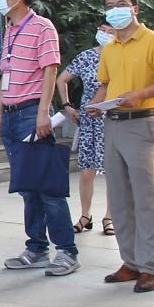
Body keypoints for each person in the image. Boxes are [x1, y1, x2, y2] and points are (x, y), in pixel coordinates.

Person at [87, 0, 154, 292]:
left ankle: (150, 266)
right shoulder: (110, 48)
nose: (115, 11)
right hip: (112, 123)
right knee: (119, 196)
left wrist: (139, 94)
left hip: (141, 122)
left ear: (135, 7)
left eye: (121, 5)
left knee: (143, 196)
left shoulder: (153, 40)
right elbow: (105, 84)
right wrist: (96, 104)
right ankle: (130, 262)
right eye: (110, 7)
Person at [0, 0, 79, 277]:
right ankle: (37, 248)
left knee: (47, 188)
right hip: (11, 115)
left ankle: (67, 251)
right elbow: (5, 76)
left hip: (32, 114)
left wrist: (44, 112)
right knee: (27, 188)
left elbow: (50, 70)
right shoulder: (9, 30)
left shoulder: (42, 27)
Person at [59, 24, 115, 237]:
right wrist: (67, 106)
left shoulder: (119, 55)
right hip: (89, 120)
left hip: (112, 118)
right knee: (86, 170)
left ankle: (110, 216)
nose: (106, 34)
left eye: (111, 31)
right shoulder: (86, 57)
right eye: (103, 29)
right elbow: (62, 79)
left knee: (112, 170)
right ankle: (85, 215)